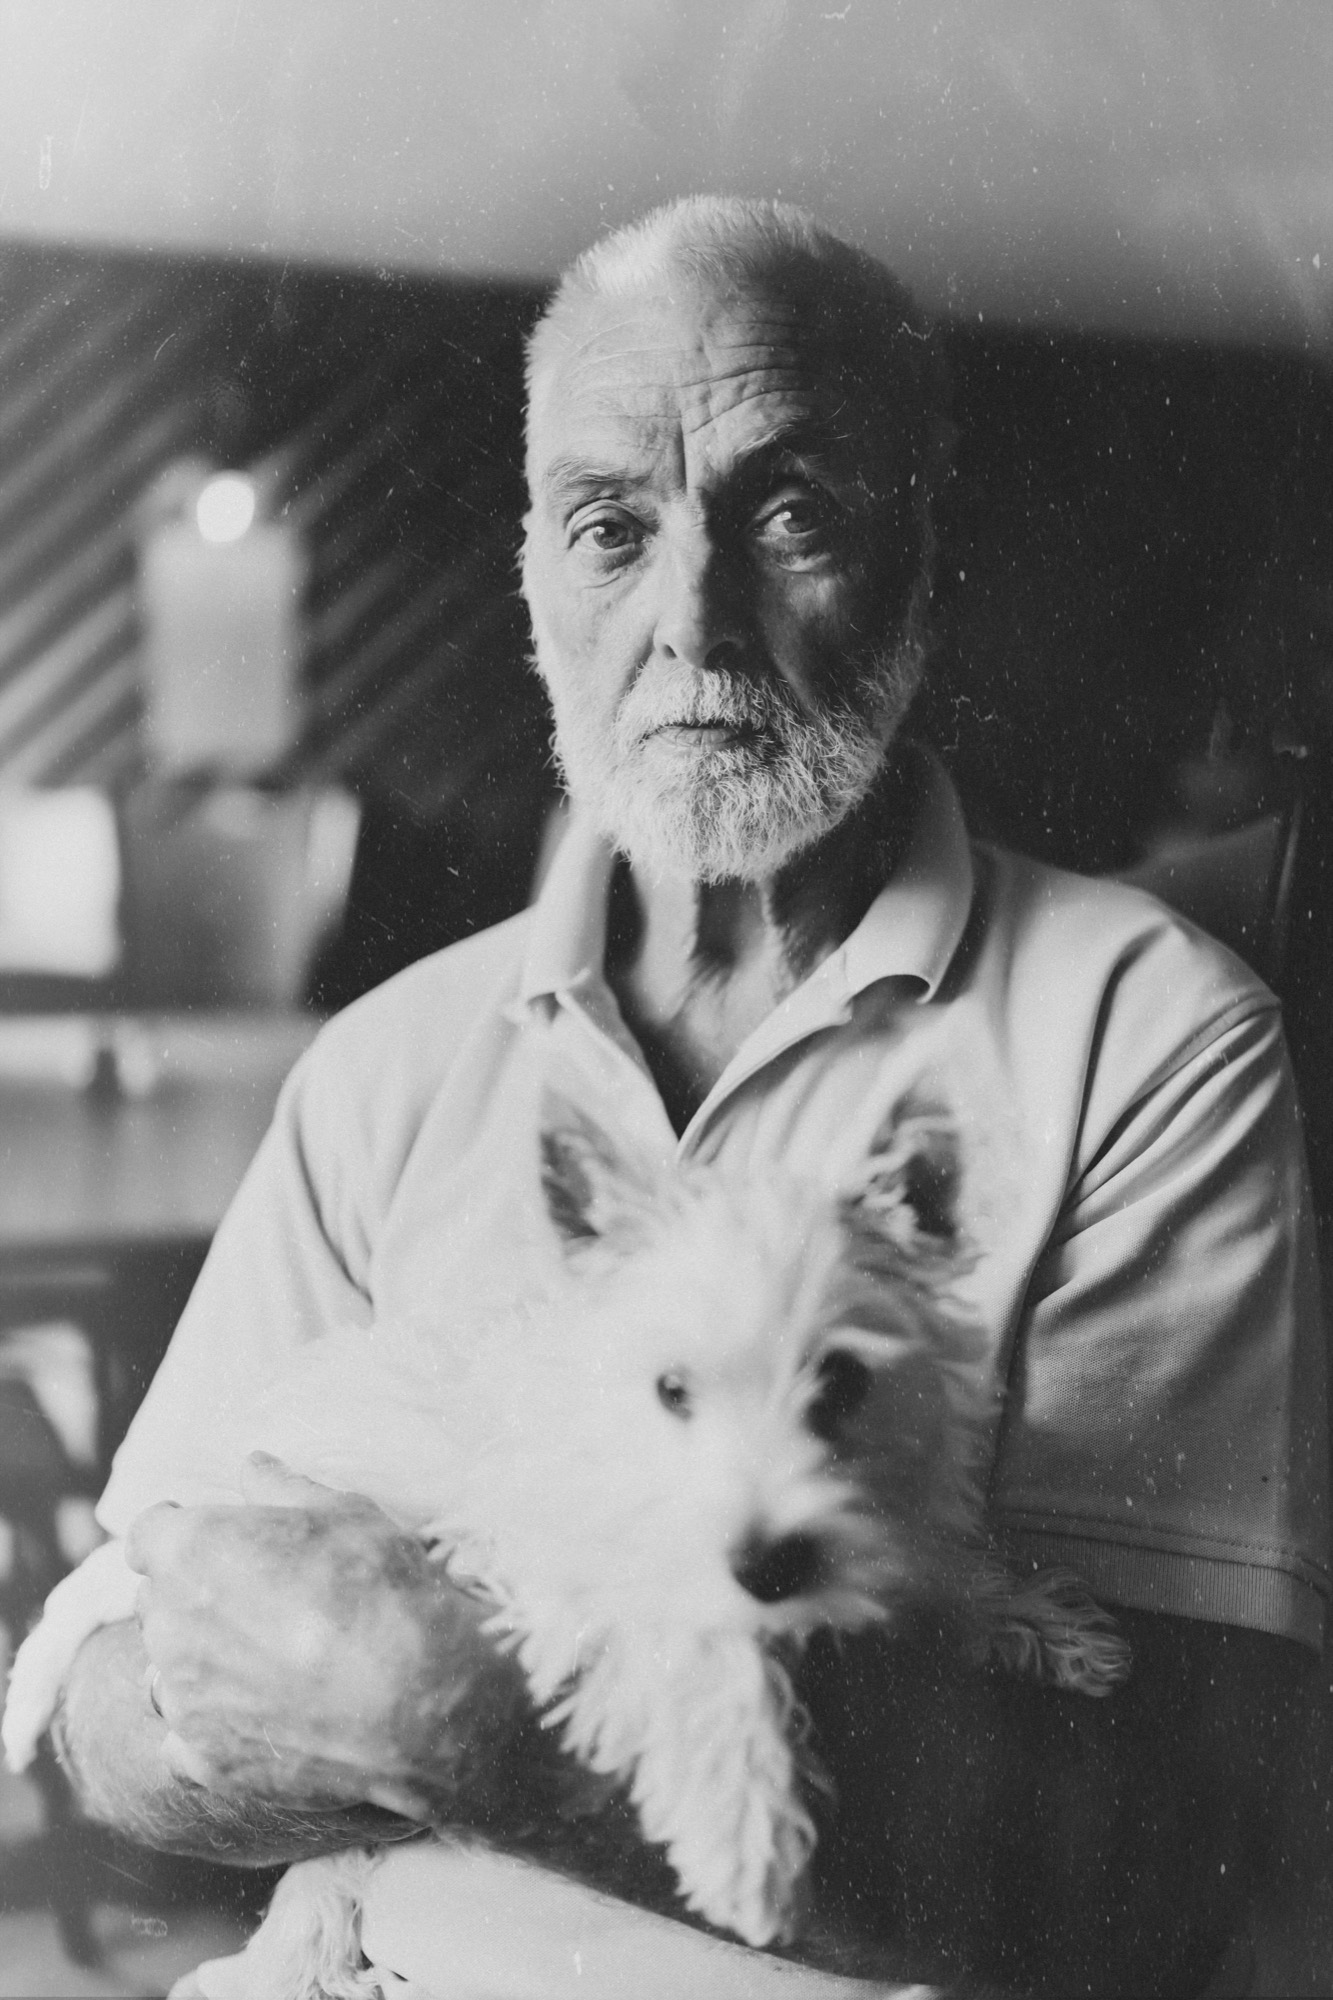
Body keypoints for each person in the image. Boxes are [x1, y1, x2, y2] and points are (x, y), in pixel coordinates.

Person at [48, 198, 1327, 1996]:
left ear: (922, 553)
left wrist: (445, 1706)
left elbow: (1154, 1864)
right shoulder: (391, 1063)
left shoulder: (1144, 1033)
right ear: (531, 574)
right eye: (608, 526)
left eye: (787, 511)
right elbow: (103, 1717)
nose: (692, 619)